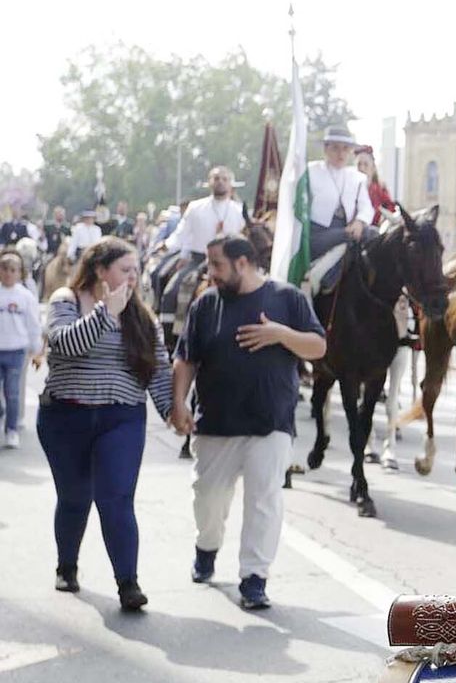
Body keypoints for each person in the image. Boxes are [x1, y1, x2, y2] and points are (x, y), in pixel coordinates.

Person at [171, 236, 326, 609]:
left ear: (242, 263)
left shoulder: (287, 298)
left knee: (264, 500)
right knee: (208, 497)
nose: (210, 273)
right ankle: (206, 547)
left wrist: (280, 334)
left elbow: (318, 347)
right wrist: (178, 403)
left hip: (271, 419)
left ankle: (254, 577)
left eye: (217, 265)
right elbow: (186, 359)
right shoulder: (206, 304)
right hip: (216, 421)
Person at [38, 237, 188, 610]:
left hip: (120, 418)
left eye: (136, 270)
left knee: (116, 499)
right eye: (125, 269)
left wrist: (173, 410)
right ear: (99, 270)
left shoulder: (142, 316)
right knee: (75, 498)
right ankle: (66, 566)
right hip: (65, 416)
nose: (133, 277)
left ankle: (128, 584)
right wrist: (106, 313)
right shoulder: (65, 301)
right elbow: (65, 344)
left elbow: (155, 370)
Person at [156, 166, 247, 320]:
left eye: (225, 179)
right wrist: (167, 245)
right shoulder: (195, 207)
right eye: (216, 178)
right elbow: (182, 233)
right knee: (171, 292)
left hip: (232, 263)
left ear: (231, 184)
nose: (220, 182)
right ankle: (169, 337)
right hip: (199, 261)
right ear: (209, 183)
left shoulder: (239, 211)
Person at [307, 124, 373, 267]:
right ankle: (323, 279)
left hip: (349, 227)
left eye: (345, 149)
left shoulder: (357, 178)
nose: (341, 154)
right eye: (335, 148)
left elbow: (366, 207)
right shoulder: (311, 172)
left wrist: (359, 222)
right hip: (320, 233)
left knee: (374, 234)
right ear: (326, 149)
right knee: (348, 237)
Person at [0, 250, 43, 448]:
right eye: (4, 269)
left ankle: (11, 429)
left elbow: (33, 324)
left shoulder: (25, 297)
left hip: (16, 350)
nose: (8, 273)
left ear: (19, 273)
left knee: (13, 392)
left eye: (13, 270)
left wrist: (37, 350)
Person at [355, 146, 397, 224]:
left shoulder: (379, 188)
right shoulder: (351, 187)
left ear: (373, 167)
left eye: (366, 164)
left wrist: (383, 217)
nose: (362, 168)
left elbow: (390, 206)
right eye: (359, 164)